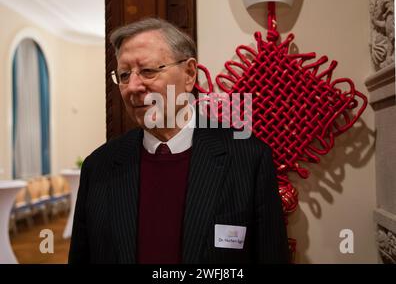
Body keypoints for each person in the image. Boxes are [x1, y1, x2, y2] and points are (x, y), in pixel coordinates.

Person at [68, 17, 289, 264]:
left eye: (148, 71)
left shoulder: (248, 159)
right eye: (123, 75)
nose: (132, 87)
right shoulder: (98, 167)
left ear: (189, 73)